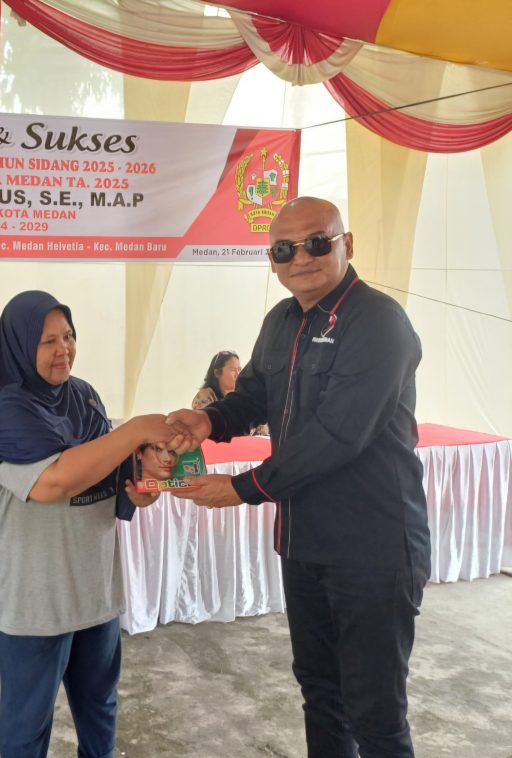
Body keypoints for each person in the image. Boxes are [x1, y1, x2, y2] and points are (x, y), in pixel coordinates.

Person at [167, 196, 430, 758]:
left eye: (316, 243)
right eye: (285, 249)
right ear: (272, 260)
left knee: (375, 713)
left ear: (346, 244)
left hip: (373, 550)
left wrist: (243, 488)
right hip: (305, 544)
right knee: (320, 694)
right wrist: (208, 421)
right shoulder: (281, 321)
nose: (301, 258)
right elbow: (253, 396)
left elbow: (338, 434)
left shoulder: (379, 323)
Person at [0, 290, 181, 758]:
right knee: (28, 727)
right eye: (47, 341)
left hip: (93, 594)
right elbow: (55, 481)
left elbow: (112, 476)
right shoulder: (8, 409)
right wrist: (134, 430)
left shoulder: (84, 397)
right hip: (33, 602)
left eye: (68, 336)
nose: (63, 349)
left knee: (100, 711)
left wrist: (143, 481)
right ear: (19, 345)